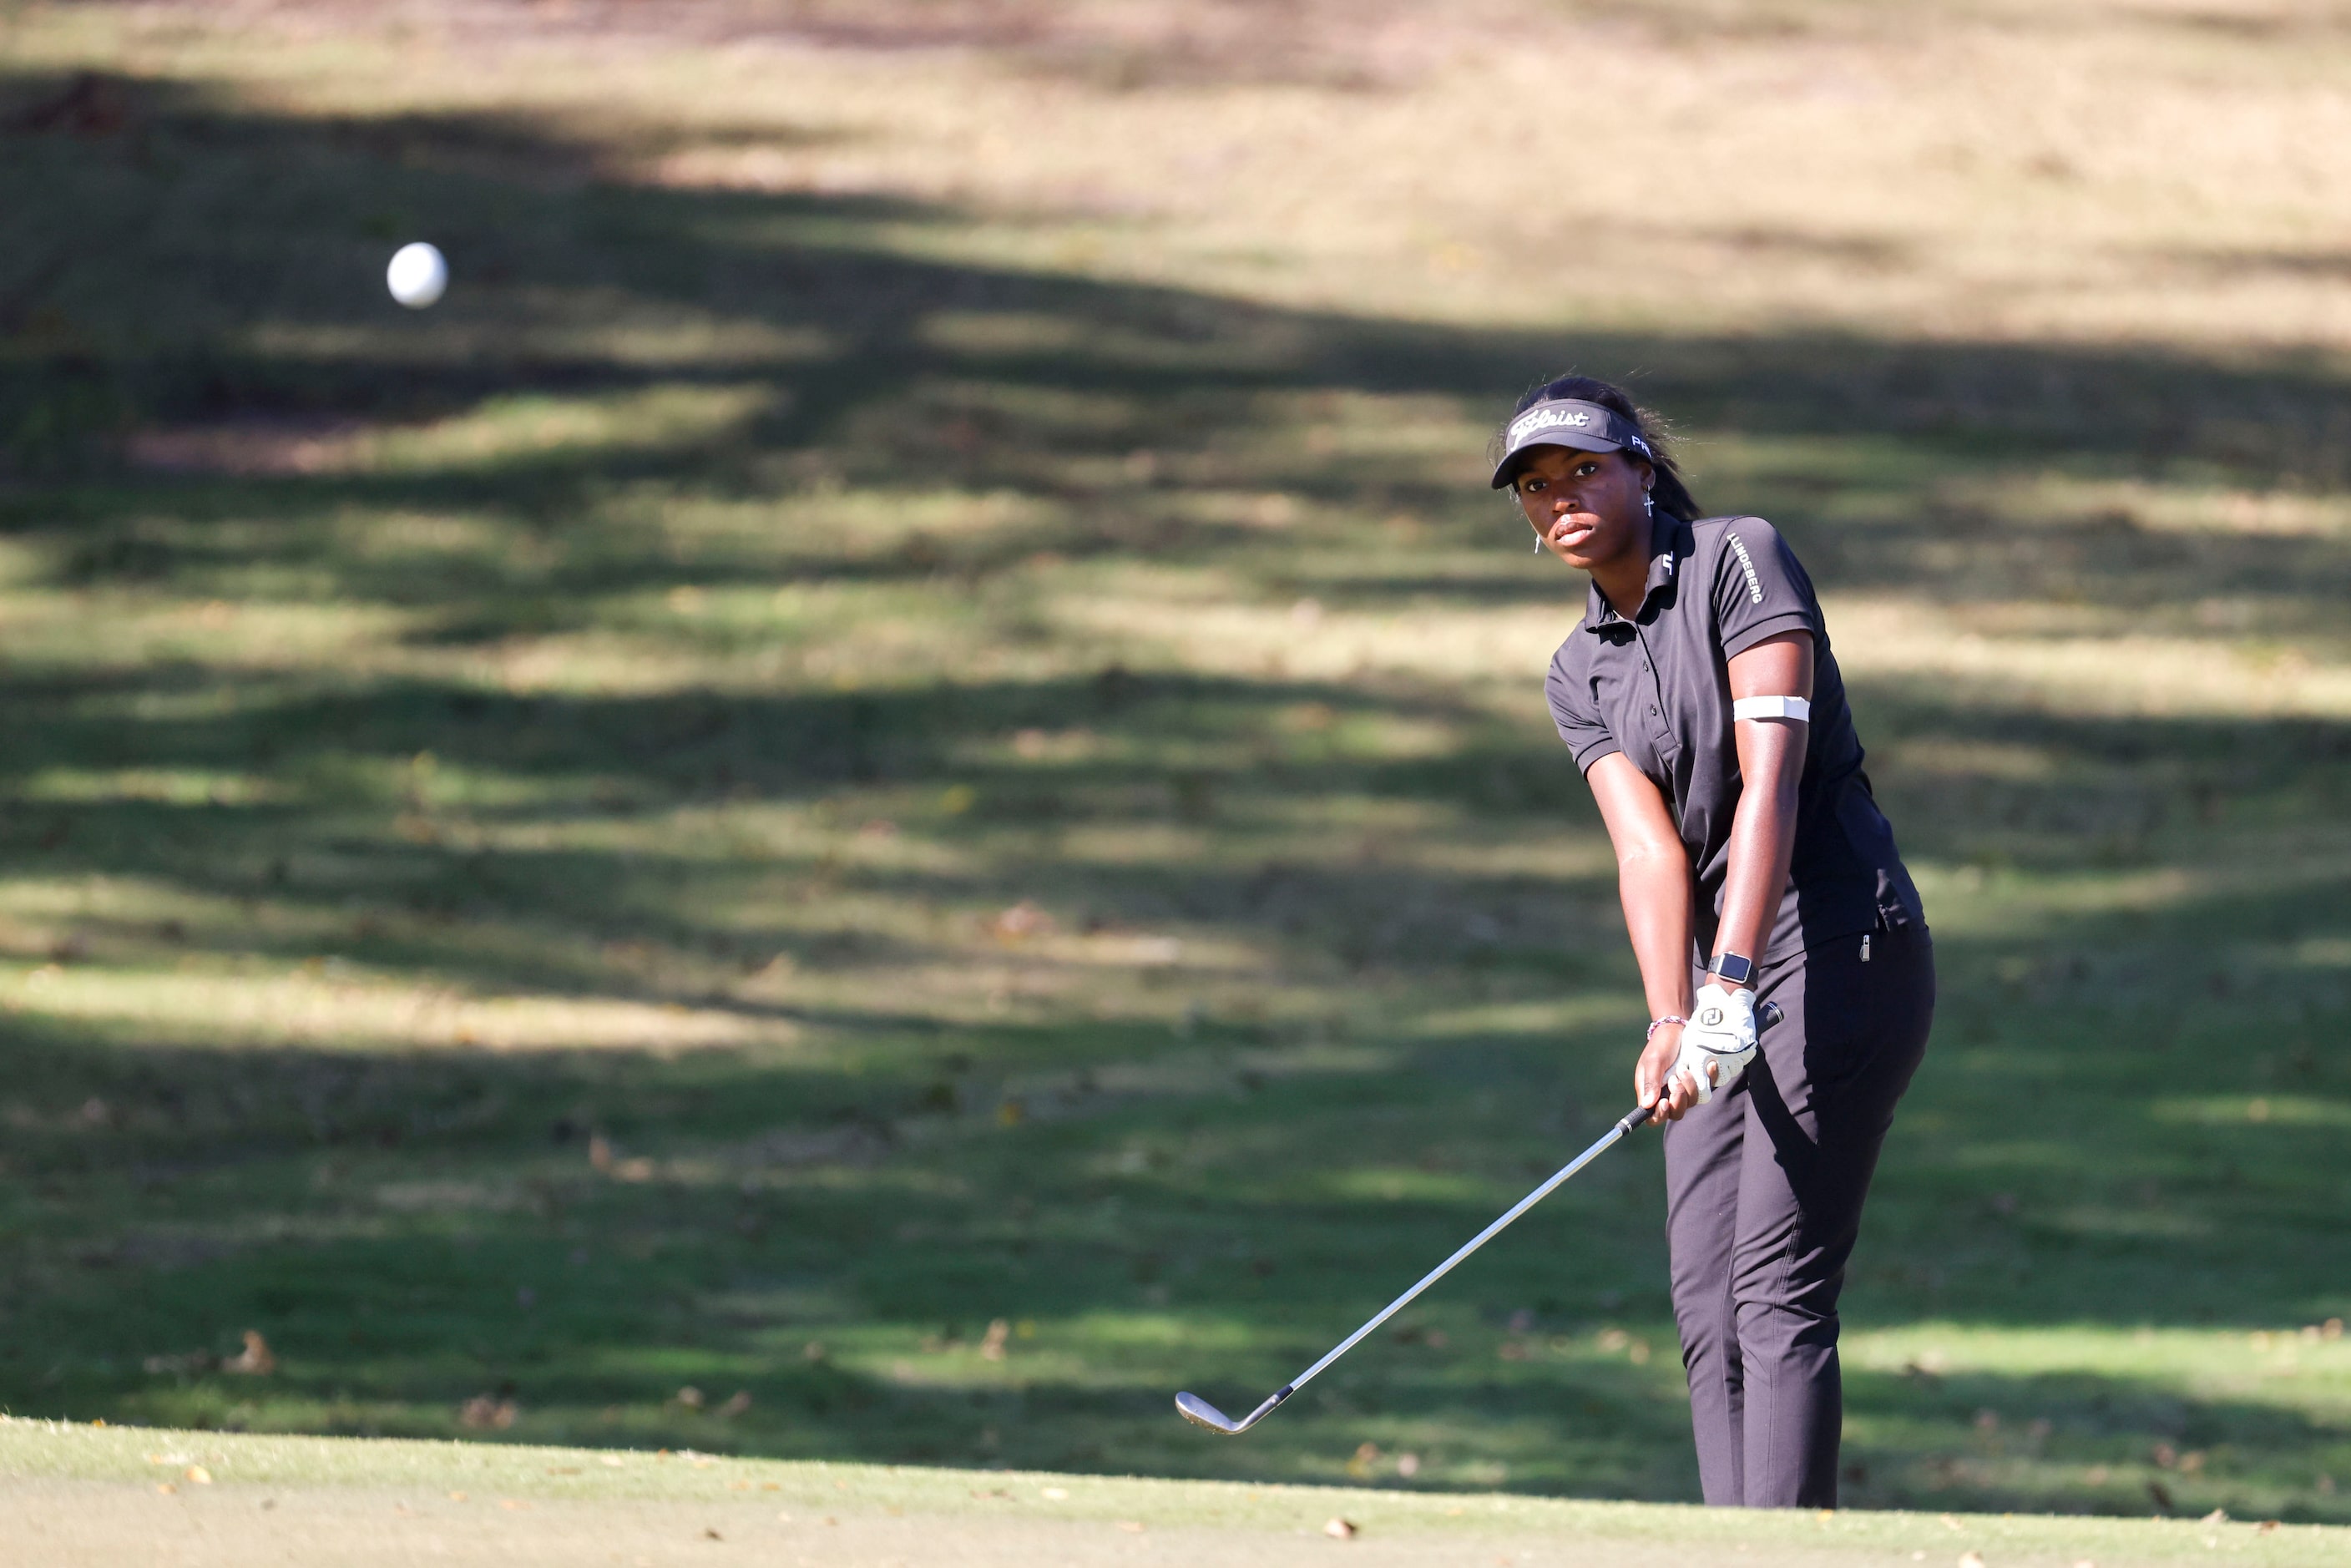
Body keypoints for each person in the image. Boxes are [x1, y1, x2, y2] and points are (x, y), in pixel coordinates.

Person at [1491, 376, 1933, 1509]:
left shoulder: (1743, 560)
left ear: (1641, 466)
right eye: (1537, 488)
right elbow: (1647, 853)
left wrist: (1728, 979)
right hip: (1720, 984)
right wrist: (1671, 1012)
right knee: (1706, 1296)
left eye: (1582, 469)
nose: (1561, 498)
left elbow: (1769, 785)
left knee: (1777, 1289)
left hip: (1841, 946)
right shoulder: (1576, 670)